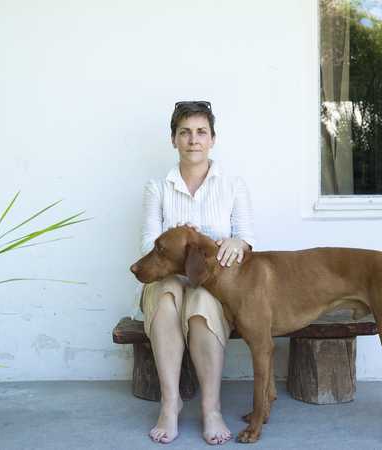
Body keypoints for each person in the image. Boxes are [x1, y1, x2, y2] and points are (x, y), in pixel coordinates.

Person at [138, 101, 255, 445]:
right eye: (185, 132)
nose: (193, 140)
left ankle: (211, 408)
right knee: (168, 295)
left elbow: (247, 238)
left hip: (213, 284)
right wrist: (177, 236)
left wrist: (235, 240)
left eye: (201, 132)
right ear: (173, 139)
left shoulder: (232, 185)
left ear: (213, 139)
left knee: (203, 302)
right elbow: (148, 243)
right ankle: (170, 404)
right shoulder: (157, 188)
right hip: (166, 279)